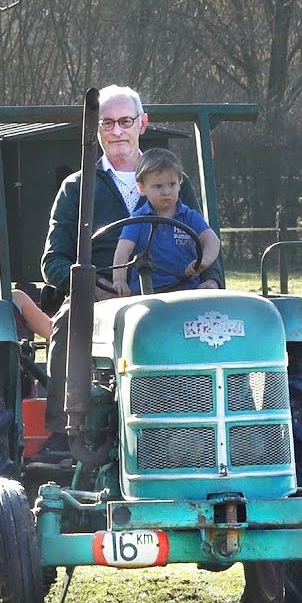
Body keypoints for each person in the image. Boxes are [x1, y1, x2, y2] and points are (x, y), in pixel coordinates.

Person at [39, 85, 225, 439]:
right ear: (96, 130)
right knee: (67, 322)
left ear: (143, 123)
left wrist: (211, 281)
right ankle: (64, 436)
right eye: (107, 123)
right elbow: (53, 261)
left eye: (125, 121)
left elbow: (205, 238)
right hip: (102, 294)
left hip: (172, 291)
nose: (117, 131)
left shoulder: (173, 182)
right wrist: (95, 288)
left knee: (222, 324)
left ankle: (222, 428)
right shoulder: (77, 187)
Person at [112, 148, 221, 296]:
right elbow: (123, 250)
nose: (166, 192)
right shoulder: (138, 219)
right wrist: (119, 280)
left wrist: (203, 261)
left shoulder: (189, 217)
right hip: (146, 293)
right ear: (141, 188)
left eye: (172, 184)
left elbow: (212, 240)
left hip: (187, 290)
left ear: (179, 184)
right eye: (158, 186)